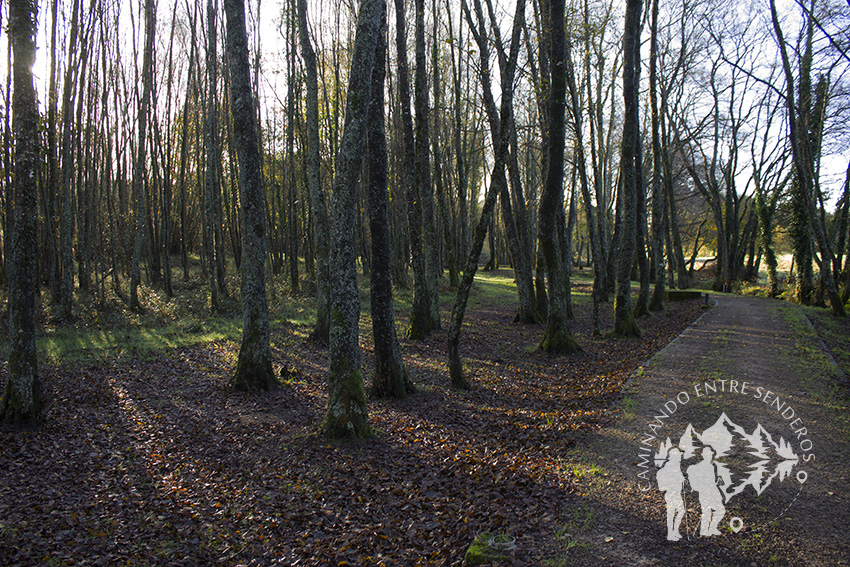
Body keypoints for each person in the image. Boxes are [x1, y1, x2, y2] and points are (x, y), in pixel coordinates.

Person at [686, 446, 726, 536]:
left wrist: (717, 482)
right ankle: (704, 531)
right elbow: (701, 482)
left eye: (711, 455)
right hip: (705, 492)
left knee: (720, 510)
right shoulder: (700, 467)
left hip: (712, 491)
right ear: (704, 455)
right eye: (708, 455)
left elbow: (711, 481)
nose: (710, 457)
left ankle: (711, 528)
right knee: (707, 512)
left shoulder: (711, 466)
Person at [656, 447, 686, 541]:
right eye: (678, 456)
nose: (680, 458)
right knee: (672, 513)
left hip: (676, 493)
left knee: (681, 511)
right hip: (671, 494)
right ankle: (670, 533)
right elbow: (662, 487)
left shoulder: (676, 467)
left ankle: (675, 531)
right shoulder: (667, 469)